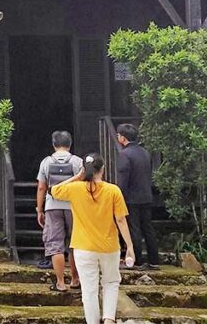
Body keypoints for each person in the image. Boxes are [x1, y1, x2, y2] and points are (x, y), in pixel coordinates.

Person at [51, 153, 135, 324]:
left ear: (85, 170)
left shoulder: (75, 189)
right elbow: (120, 219)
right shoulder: (113, 190)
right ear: (102, 169)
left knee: (88, 289)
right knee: (111, 282)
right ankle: (109, 319)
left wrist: (77, 177)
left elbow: (54, 191)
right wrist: (130, 246)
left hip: (83, 247)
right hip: (109, 246)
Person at [36, 130, 83, 291]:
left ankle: (60, 282)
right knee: (74, 243)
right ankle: (75, 279)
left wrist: (39, 209)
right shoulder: (78, 162)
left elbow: (42, 187)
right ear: (70, 144)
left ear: (54, 144)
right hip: (73, 207)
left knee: (55, 244)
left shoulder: (46, 162)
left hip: (53, 206)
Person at [115, 123, 159, 269]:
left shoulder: (124, 155)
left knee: (134, 228)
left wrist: (119, 197)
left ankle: (137, 259)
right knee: (148, 227)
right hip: (146, 195)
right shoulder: (145, 152)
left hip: (131, 197)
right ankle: (154, 260)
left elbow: (123, 180)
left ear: (122, 138)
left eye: (119, 135)